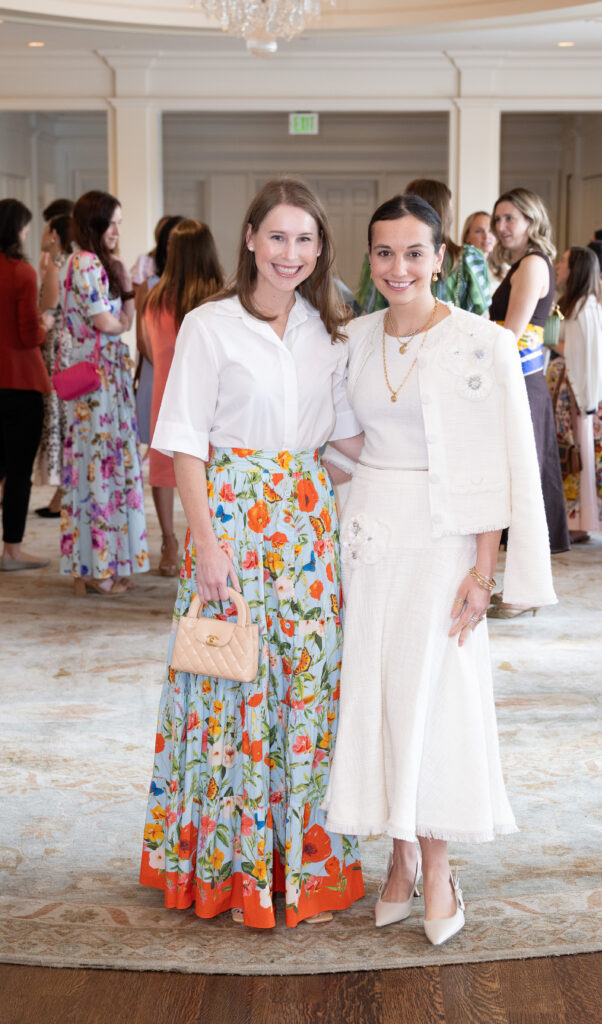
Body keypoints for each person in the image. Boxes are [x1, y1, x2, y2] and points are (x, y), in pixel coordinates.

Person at [321, 194, 555, 947]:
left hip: (446, 536)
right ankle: (397, 858)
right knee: (377, 691)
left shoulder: (478, 341)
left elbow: (493, 459)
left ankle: (439, 863)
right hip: (367, 532)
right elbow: (340, 438)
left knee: (434, 695)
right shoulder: (351, 339)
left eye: (414, 252)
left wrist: (483, 570)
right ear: (369, 259)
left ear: (442, 258)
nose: (398, 267)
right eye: (383, 253)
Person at [140, 178, 365, 929]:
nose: (290, 254)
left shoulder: (328, 330)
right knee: (228, 689)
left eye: (305, 240)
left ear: (319, 248)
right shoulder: (210, 326)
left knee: (304, 690)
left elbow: (344, 441)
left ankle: (298, 863)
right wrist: (205, 545)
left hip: (304, 530)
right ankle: (224, 865)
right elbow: (185, 445)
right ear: (248, 240)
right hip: (229, 525)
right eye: (277, 237)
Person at [59, 190, 149, 594]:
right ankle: (98, 570)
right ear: (95, 225)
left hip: (95, 381)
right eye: (111, 223)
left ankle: (90, 565)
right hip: (101, 386)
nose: (116, 231)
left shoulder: (77, 262)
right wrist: (128, 297)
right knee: (101, 469)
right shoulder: (89, 263)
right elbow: (110, 324)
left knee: (90, 469)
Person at [489, 187, 571, 593]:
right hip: (519, 381)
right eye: (498, 219)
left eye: (511, 219)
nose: (502, 227)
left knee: (524, 486)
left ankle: (526, 590)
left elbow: (512, 333)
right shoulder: (524, 264)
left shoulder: (533, 264)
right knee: (519, 483)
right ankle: (523, 588)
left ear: (531, 221)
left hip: (522, 381)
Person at [142, 218, 223, 575]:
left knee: (163, 470)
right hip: (211, 398)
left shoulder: (156, 298)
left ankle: (168, 542)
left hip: (165, 395)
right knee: (206, 471)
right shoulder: (219, 297)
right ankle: (206, 540)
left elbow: (147, 349)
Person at [0, 199, 53, 571]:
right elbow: (27, 335)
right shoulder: (22, 272)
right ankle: (12, 551)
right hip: (20, 381)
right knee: (18, 471)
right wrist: (46, 324)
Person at [548, 246, 602, 540]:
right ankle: (577, 522)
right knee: (577, 454)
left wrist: (547, 340)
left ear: (575, 269)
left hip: (578, 393)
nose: (558, 266)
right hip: (577, 390)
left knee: (577, 454)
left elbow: (577, 353)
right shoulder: (579, 303)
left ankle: (578, 523)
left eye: (563, 261)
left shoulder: (583, 306)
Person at [354, 179, 491, 316]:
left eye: (415, 254)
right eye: (385, 253)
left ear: (438, 258)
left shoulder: (468, 258)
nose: (399, 271)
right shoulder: (468, 258)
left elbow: (370, 309)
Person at [132, 215, 185, 449]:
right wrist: (168, 371)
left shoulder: (205, 288)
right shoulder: (150, 286)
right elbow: (142, 340)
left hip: (187, 377)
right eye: (170, 242)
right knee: (157, 450)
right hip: (157, 371)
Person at [35, 212, 71, 517]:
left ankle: (63, 494)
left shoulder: (56, 267)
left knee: (58, 419)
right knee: (68, 419)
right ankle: (63, 494)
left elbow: (47, 310)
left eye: (47, 229)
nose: (44, 234)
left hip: (55, 349)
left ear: (56, 234)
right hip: (72, 348)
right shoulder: (79, 262)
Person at [461, 210, 504, 292]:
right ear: (467, 237)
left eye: (490, 231)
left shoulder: (503, 268)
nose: (486, 236)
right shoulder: (459, 267)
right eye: (479, 231)